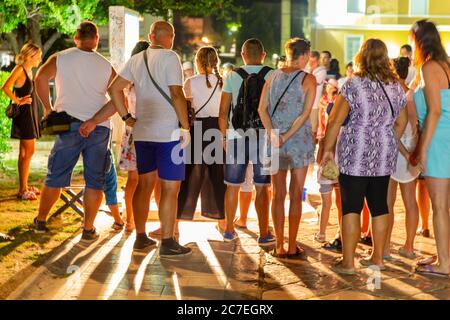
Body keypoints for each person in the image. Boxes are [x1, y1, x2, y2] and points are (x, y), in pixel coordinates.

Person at [322, 38, 408, 275]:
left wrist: (328, 150)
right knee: (380, 205)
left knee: (351, 206)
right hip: (383, 153)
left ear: (361, 57)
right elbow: (402, 121)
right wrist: (387, 137)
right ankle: (377, 258)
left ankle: (348, 263)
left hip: (355, 152)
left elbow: (335, 120)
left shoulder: (353, 84)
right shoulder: (395, 86)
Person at [108, 21, 192, 257]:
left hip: (143, 131)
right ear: (171, 37)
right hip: (169, 134)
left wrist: (126, 116)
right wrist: (185, 127)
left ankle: (141, 237)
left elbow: (114, 89)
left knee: (144, 185)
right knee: (170, 188)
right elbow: (177, 93)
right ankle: (167, 240)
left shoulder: (136, 59)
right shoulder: (170, 57)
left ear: (151, 36)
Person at [33, 21, 116, 243]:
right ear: (96, 39)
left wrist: (47, 108)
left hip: (68, 124)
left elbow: (40, 79)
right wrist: (95, 119)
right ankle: (88, 228)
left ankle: (41, 221)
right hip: (98, 127)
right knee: (94, 181)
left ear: (76, 37)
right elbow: (118, 98)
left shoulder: (61, 57)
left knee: (56, 176)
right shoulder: (106, 65)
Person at [259, 38, 316, 258]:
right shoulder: (308, 79)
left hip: (274, 141)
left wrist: (274, 134)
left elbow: (261, 109)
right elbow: (304, 114)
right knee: (295, 194)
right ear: (304, 55)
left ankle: (279, 245)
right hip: (298, 141)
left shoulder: (272, 76)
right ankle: (292, 245)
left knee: (277, 194)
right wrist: (286, 136)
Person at [218, 38, 275, 245]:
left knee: (232, 185)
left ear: (243, 55)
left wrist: (224, 136)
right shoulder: (272, 74)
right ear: (263, 55)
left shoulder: (232, 75)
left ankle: (229, 230)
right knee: (262, 186)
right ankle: (263, 233)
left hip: (236, 136)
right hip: (265, 137)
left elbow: (223, 111)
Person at [410, 20, 450, 277]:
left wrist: (422, 149)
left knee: (439, 206)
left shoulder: (429, 66)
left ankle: (445, 264)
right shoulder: (446, 65)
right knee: (446, 206)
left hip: (438, 141)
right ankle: (445, 255)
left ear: (419, 40)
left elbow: (435, 110)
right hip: (446, 137)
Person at [177, 46, 226, 229]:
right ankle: (223, 222)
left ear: (197, 61)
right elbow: (224, 112)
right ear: (215, 62)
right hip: (216, 129)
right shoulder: (223, 82)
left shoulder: (190, 82)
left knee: (188, 176)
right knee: (217, 176)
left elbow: (185, 108)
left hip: (196, 129)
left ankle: (175, 225)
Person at [384, 57, 420, 259]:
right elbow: (416, 125)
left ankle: (386, 246)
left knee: (388, 202)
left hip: (394, 147)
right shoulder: (411, 95)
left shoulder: (390, 92)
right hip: (409, 147)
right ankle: (409, 245)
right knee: (410, 201)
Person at [1, 42, 42, 200]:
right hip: (23, 116)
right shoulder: (19, 69)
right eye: (38, 57)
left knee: (25, 152)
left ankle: (23, 187)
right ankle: (23, 190)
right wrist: (18, 101)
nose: (40, 59)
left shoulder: (29, 70)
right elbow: (5, 87)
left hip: (29, 115)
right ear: (30, 56)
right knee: (28, 152)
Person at [118, 40, 150, 234]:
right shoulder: (144, 79)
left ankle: (131, 220)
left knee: (135, 180)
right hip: (143, 131)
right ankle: (131, 220)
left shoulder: (129, 79)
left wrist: (127, 117)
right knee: (139, 180)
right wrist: (127, 117)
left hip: (133, 131)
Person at [314, 78, 339, 243]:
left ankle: (322, 233)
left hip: (326, 169)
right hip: (340, 166)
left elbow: (317, 159)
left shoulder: (324, 138)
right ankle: (341, 233)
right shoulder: (342, 136)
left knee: (326, 203)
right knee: (341, 203)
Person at [308, 51, 327, 144]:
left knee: (313, 130)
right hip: (305, 104)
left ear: (318, 61)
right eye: (310, 61)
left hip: (315, 105)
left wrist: (310, 70)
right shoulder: (306, 69)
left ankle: (311, 151)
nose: (311, 64)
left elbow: (312, 82)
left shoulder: (322, 71)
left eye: (313, 62)